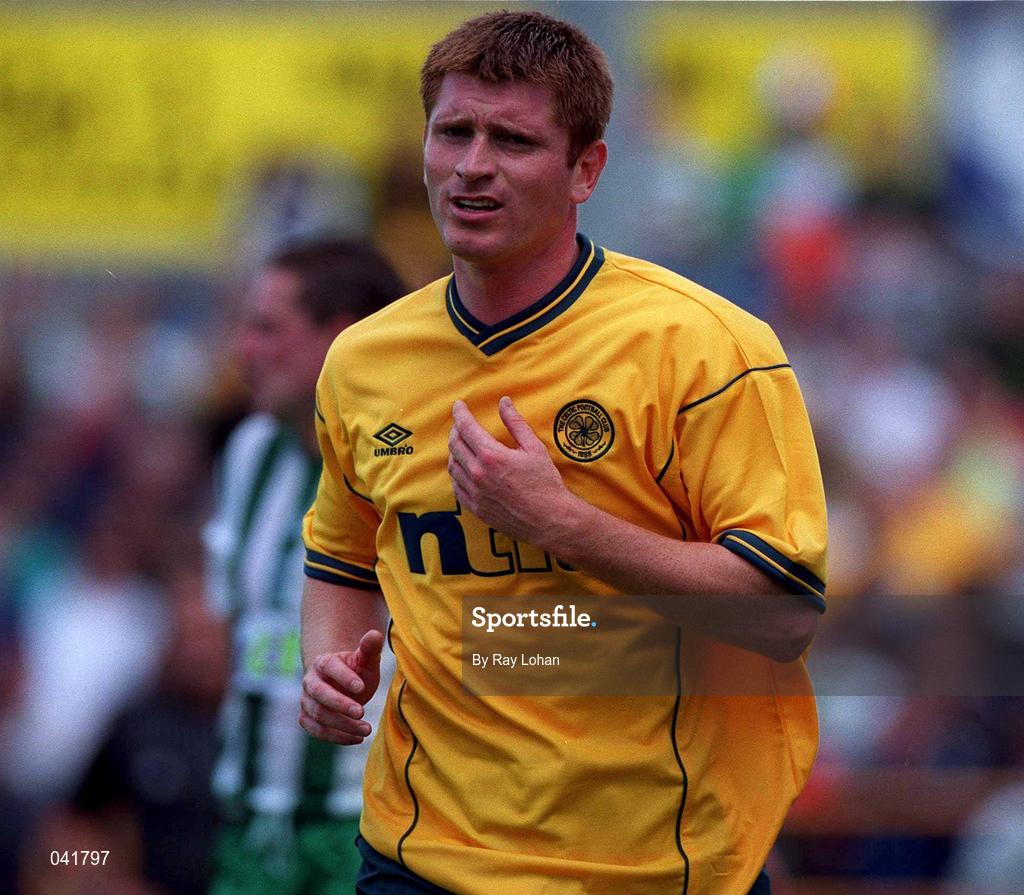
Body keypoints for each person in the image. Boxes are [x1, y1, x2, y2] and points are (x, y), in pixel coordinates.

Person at [299, 11, 828, 895]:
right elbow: (342, 556)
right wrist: (328, 664)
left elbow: (783, 612)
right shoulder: (364, 360)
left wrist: (562, 524)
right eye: (453, 131)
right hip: (420, 860)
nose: (473, 164)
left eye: (513, 139)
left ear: (587, 169)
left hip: (656, 870)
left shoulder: (706, 348)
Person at [204, 238, 405, 894]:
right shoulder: (249, 451)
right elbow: (237, 632)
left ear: (342, 337)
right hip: (251, 824)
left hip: (368, 830)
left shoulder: (408, 461)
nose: (244, 351)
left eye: (267, 328)